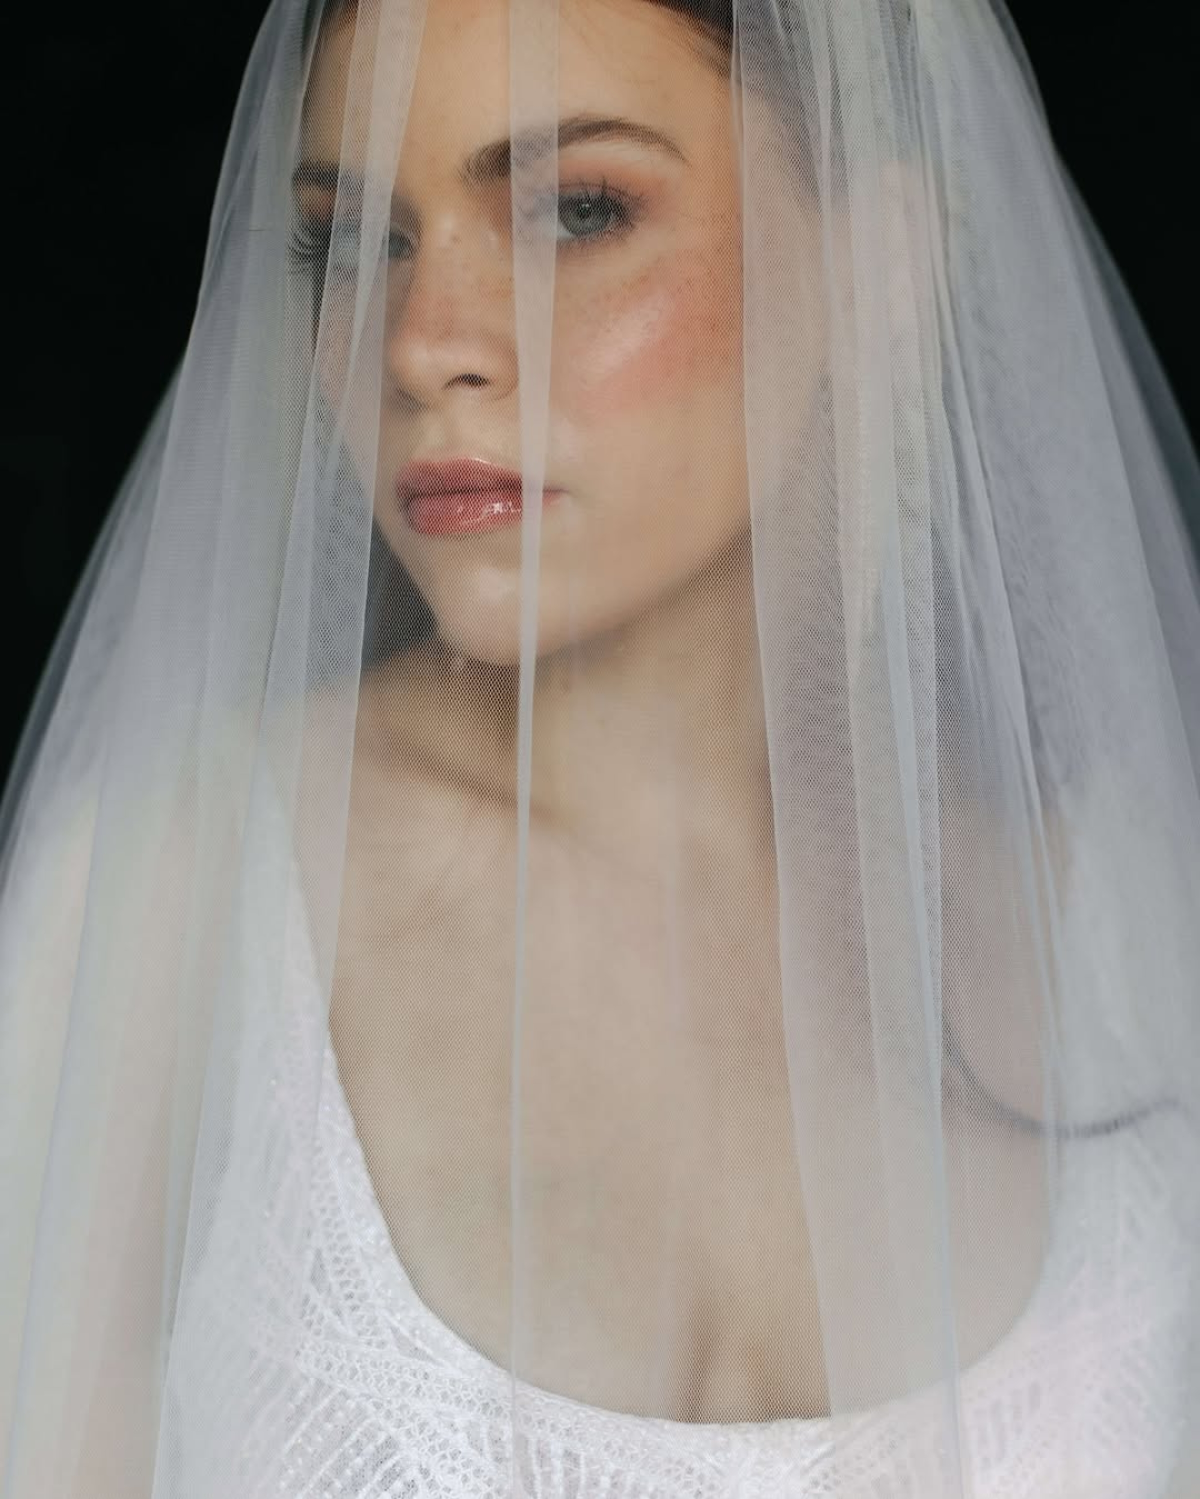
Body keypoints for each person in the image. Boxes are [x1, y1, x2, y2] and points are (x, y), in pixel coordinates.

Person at [2, 0, 1200, 1493]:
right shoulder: (176, 895)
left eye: (577, 210)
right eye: (351, 241)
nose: (421, 343)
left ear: (881, 270)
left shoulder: (1129, 934)